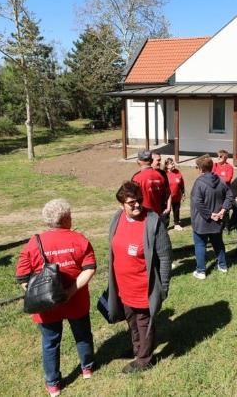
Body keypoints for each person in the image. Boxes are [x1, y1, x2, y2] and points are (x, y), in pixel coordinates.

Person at [15, 199, 96, 397]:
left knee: (50, 342)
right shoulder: (79, 239)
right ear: (66, 218)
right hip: (76, 301)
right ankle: (87, 368)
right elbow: (89, 268)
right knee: (83, 335)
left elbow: (22, 276)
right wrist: (70, 292)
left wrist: (39, 293)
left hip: (46, 306)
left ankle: (53, 384)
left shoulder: (35, 242)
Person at [106, 181, 171, 374]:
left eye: (139, 201)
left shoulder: (152, 222)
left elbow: (165, 257)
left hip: (144, 288)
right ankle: (138, 348)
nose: (137, 205)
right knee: (131, 321)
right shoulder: (117, 218)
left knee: (144, 323)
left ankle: (145, 359)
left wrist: (163, 287)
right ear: (121, 205)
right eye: (132, 202)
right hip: (123, 287)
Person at [190, 156, 234, 279]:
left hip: (202, 222)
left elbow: (197, 202)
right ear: (211, 167)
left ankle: (201, 271)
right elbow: (230, 196)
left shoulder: (199, 183)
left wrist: (215, 213)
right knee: (218, 243)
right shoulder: (221, 180)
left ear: (199, 169)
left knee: (200, 245)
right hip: (217, 221)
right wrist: (223, 211)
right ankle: (223, 266)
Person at [131, 150, 168, 215]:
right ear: (151, 161)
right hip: (158, 215)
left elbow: (132, 198)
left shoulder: (136, 178)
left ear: (138, 161)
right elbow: (165, 196)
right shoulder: (160, 176)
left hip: (143, 216)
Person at [164, 158, 185, 231]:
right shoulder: (164, 174)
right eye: (171, 163)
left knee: (176, 211)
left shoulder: (177, 172)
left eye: (173, 163)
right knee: (167, 211)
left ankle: (176, 224)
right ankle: (165, 226)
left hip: (176, 196)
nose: (173, 165)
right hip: (166, 198)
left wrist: (183, 193)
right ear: (167, 165)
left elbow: (181, 184)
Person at [152, 152, 172, 222]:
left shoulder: (163, 173)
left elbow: (168, 191)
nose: (160, 162)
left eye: (160, 160)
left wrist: (168, 208)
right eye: (158, 160)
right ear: (151, 160)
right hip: (149, 212)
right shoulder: (143, 175)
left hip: (163, 211)